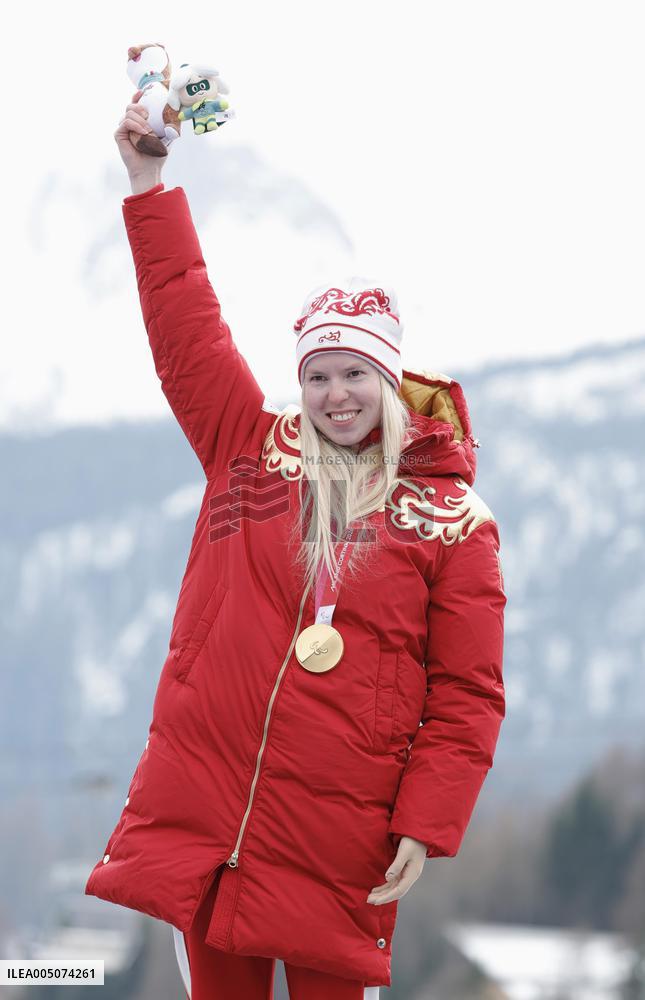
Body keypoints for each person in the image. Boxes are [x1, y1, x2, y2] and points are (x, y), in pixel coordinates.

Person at [84, 93, 507, 1000]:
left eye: (355, 373)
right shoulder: (246, 451)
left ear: (390, 382)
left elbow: (466, 694)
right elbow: (185, 326)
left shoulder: (452, 520)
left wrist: (424, 823)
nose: (334, 394)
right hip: (212, 825)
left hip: (339, 843)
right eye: (316, 375)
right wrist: (148, 183)